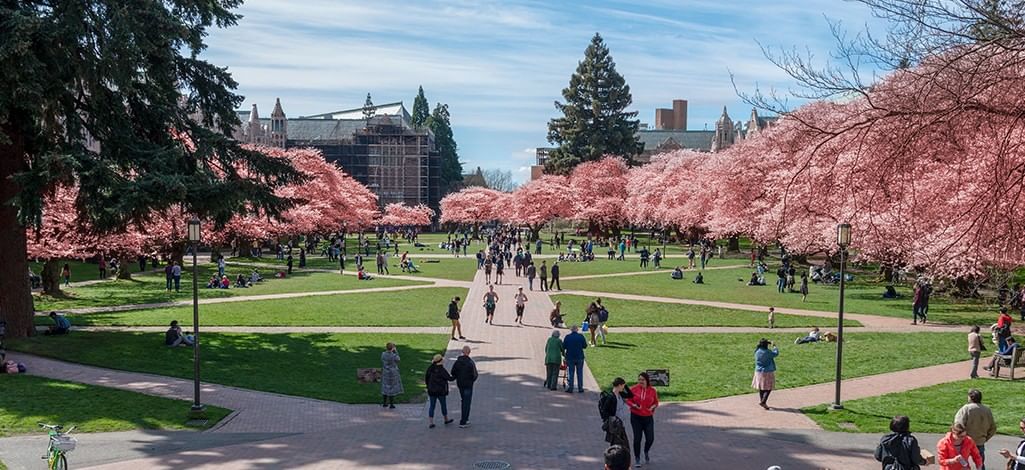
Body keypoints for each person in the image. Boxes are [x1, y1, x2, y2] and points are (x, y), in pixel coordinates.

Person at [954, 389, 996, 468]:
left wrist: (959, 438)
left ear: (970, 397)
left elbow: (958, 425)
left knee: (961, 464)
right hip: (980, 441)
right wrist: (985, 438)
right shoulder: (987, 410)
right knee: (980, 464)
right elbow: (993, 428)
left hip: (965, 442)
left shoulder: (966, 409)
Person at [626, 372, 659, 467]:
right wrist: (634, 405)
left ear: (647, 380)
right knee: (637, 439)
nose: (640, 381)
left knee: (650, 438)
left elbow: (656, 402)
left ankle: (646, 451)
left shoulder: (652, 390)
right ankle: (637, 458)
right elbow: (628, 400)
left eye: (642, 380)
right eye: (639, 379)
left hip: (648, 418)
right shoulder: (633, 389)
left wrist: (653, 407)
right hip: (636, 417)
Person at [599, 377, 633, 461]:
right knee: (620, 445)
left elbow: (630, 395)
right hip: (615, 425)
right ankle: (614, 461)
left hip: (620, 424)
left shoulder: (620, 394)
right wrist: (612, 420)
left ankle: (614, 460)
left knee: (620, 444)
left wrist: (626, 386)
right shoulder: (611, 397)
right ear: (619, 385)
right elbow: (604, 411)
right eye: (623, 386)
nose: (623, 388)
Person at [450, 345, 478, 428]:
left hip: (460, 384)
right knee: (467, 402)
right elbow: (475, 375)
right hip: (468, 385)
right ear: (469, 352)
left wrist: (457, 377)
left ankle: (465, 418)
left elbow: (453, 372)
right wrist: (471, 381)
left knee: (464, 400)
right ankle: (463, 421)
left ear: (462, 352)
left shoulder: (458, 362)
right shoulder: (470, 362)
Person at [424, 354, 455, 428]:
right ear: (441, 361)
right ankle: (446, 419)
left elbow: (426, 378)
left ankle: (431, 422)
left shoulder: (430, 368)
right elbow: (449, 378)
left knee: (432, 406)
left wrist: (428, 386)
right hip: (441, 391)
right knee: (443, 405)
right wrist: (456, 375)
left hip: (432, 391)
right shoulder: (441, 370)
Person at [753, 338, 779, 409]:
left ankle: (763, 402)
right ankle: (763, 401)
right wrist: (774, 346)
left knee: (761, 387)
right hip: (767, 371)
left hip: (758, 371)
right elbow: (776, 353)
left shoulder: (757, 351)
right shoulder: (767, 352)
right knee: (769, 387)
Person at [563, 324, 588, 393]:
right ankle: (580, 388)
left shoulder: (567, 337)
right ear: (577, 329)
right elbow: (585, 346)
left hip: (570, 357)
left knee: (571, 372)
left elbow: (564, 346)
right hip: (579, 357)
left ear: (571, 330)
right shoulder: (580, 336)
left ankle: (570, 388)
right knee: (580, 373)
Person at [380, 342, 403, 409]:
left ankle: (384, 403)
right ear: (392, 348)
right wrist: (396, 351)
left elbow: (382, 360)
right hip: (393, 373)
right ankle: (391, 404)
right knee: (392, 388)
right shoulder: (394, 355)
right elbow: (398, 359)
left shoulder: (383, 354)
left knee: (385, 386)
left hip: (385, 372)